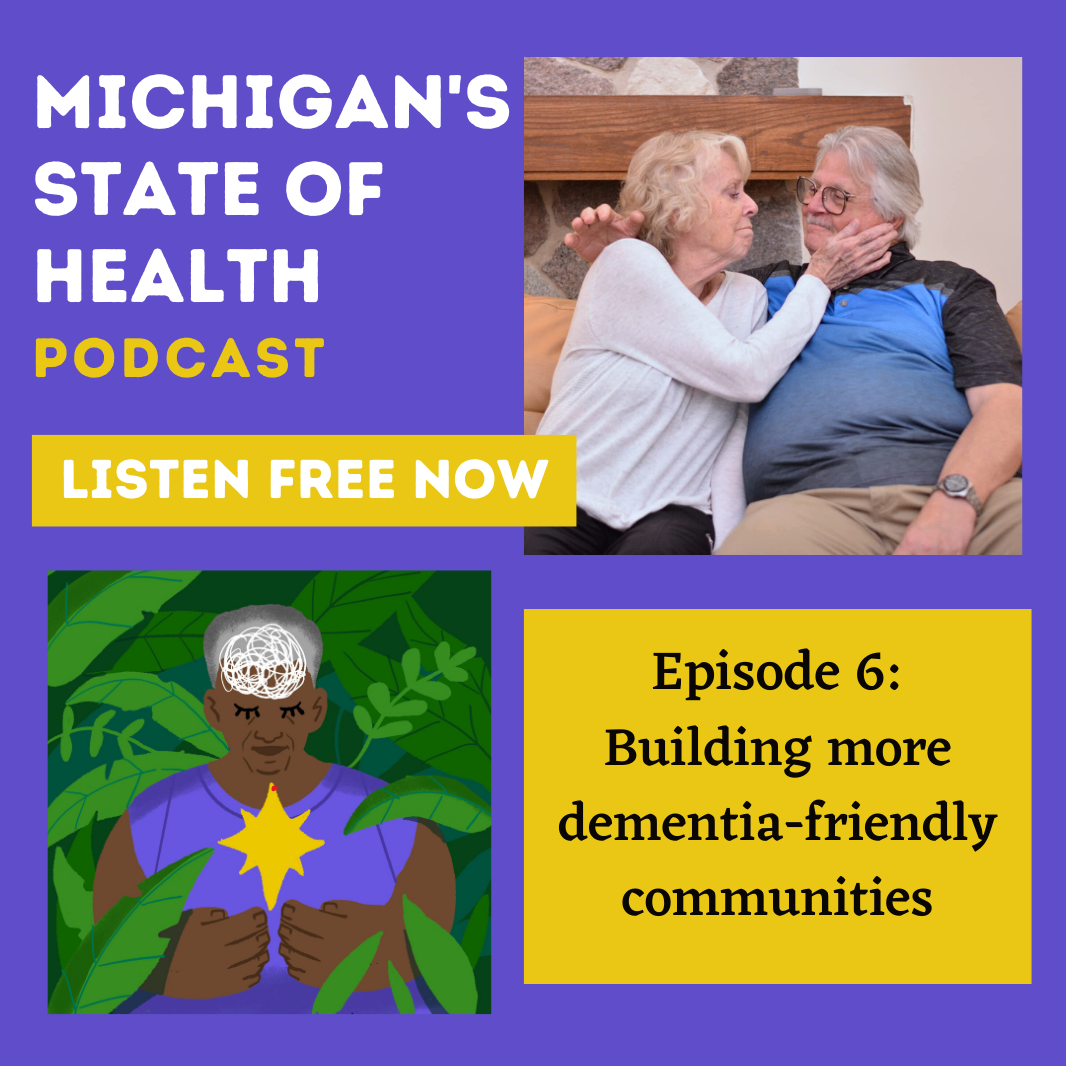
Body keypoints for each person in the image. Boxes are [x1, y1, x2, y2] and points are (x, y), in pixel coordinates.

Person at [565, 125, 1022, 555]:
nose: (813, 205)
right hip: (806, 511)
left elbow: (1007, 407)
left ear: (892, 218)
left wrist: (956, 501)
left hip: (956, 489)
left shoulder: (949, 285)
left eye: (837, 196)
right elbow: (676, 310)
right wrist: (629, 257)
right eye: (812, 189)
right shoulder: (766, 288)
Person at [524, 130, 898, 555]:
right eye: (733, 192)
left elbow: (734, 424)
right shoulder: (626, 261)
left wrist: (728, 537)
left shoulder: (747, 295)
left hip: (674, 509)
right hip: (567, 495)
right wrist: (819, 277)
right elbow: (747, 373)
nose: (752, 205)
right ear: (681, 211)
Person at [92, 604, 455, 1014]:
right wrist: (164, 971)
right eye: (246, 711)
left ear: (316, 710)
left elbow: (436, 929)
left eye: (290, 710)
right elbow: (104, 949)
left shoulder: (391, 815)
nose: (267, 730)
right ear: (214, 710)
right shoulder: (152, 820)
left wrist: (387, 951)